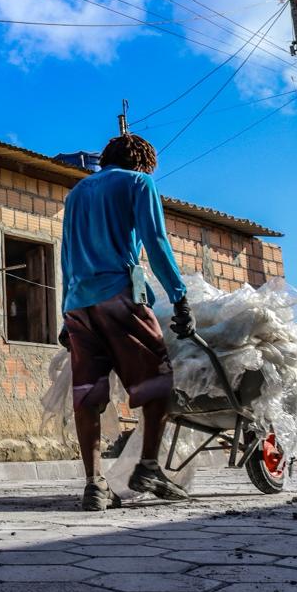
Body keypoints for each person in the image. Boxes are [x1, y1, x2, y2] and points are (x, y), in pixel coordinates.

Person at [59, 134, 197, 511]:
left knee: (87, 395)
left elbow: (66, 254)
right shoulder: (139, 183)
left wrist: (63, 312)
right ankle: (148, 468)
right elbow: (155, 241)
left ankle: (93, 485)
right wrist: (179, 296)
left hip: (78, 304)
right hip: (119, 295)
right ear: (143, 163)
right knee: (158, 383)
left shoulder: (76, 194)